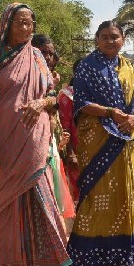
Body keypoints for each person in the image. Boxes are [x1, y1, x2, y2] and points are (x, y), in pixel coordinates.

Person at [0, 3, 70, 266]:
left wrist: (41, 103)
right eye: (20, 23)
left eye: (30, 24)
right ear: (7, 24)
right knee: (5, 206)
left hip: (35, 142)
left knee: (43, 201)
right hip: (3, 142)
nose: (26, 29)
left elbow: (53, 96)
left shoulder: (38, 56)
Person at [66, 21, 134, 266]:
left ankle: (120, 257)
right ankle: (89, 258)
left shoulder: (132, 69)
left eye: (114, 37)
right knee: (96, 194)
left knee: (122, 193)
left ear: (123, 39)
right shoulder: (87, 67)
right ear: (96, 40)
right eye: (104, 37)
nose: (110, 41)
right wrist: (109, 112)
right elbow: (81, 102)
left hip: (124, 138)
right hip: (97, 138)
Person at [31, 34, 75, 227]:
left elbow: (53, 115)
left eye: (50, 54)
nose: (47, 57)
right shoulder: (31, 75)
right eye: (43, 52)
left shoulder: (51, 78)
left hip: (51, 141)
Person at [58, 60, 81, 202]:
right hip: (76, 153)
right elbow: (64, 126)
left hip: (94, 152)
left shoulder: (94, 93)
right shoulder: (67, 96)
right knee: (77, 196)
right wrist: (71, 153)